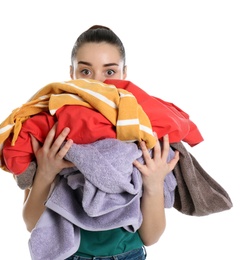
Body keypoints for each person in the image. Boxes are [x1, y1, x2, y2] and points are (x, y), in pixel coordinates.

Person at [22, 25, 180, 260]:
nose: (97, 82)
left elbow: (151, 237)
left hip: (129, 255)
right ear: (72, 74)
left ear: (124, 73)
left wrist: (154, 184)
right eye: (86, 71)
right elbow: (32, 223)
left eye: (109, 72)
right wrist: (45, 173)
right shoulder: (51, 131)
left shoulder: (143, 133)